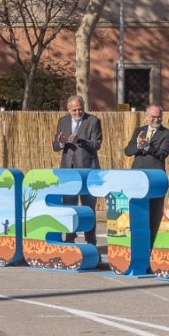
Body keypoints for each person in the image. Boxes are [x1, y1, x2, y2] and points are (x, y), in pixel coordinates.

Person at [52, 95, 101, 244]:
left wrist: (80, 141)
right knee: (69, 206)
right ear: (68, 109)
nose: (78, 112)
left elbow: (96, 144)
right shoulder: (63, 121)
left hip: (87, 170)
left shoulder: (93, 121)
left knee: (88, 207)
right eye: (74, 110)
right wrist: (61, 143)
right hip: (68, 171)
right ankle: (70, 238)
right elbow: (55, 146)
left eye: (80, 109)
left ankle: (91, 241)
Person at [123, 104, 169, 241]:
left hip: (154, 178)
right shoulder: (139, 130)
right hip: (137, 178)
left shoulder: (167, 134)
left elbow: (163, 154)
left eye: (159, 117)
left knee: (153, 214)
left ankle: (151, 245)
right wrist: (138, 146)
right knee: (137, 212)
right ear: (146, 117)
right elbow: (127, 151)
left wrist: (148, 147)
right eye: (153, 117)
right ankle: (137, 243)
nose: (156, 120)